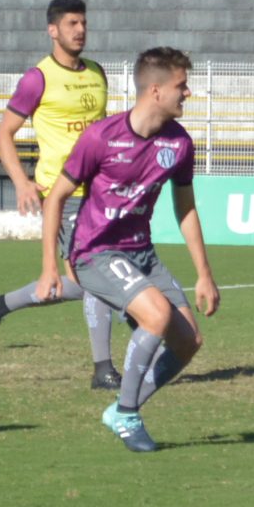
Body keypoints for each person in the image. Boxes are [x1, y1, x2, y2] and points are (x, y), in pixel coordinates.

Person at [38, 47, 221, 452]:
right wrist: (50, 265)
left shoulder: (179, 144)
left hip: (142, 253)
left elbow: (185, 208)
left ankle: (125, 406)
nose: (187, 93)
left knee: (188, 341)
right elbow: (55, 198)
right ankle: (126, 413)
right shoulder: (100, 137)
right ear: (155, 90)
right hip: (94, 252)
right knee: (155, 316)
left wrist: (204, 274)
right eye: (181, 85)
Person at [0, 0, 121, 389]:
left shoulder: (97, 73)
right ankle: (103, 368)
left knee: (82, 281)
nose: (80, 30)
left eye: (84, 23)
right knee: (98, 278)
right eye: (72, 23)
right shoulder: (37, 78)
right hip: (66, 194)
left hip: (103, 193)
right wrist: (22, 181)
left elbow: (101, 133)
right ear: (52, 30)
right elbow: (3, 134)